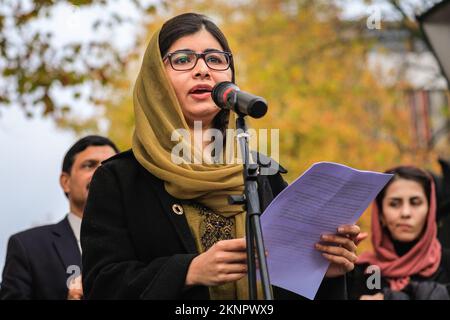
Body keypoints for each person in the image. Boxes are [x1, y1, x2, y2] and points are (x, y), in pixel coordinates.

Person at [81, 13, 362, 300]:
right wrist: (188, 271)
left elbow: (287, 288)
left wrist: (321, 272)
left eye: (215, 59)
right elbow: (102, 285)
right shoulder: (120, 179)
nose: (202, 69)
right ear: (155, 81)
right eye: (182, 59)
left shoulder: (263, 173)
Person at [0, 135, 119, 300]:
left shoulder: (145, 243)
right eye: (89, 165)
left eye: (110, 166)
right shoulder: (27, 247)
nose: (101, 172)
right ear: (66, 182)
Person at [347, 166, 450, 300]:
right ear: (381, 215)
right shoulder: (365, 271)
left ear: (430, 211)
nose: (405, 213)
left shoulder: (446, 264)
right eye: (394, 204)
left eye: (415, 203)